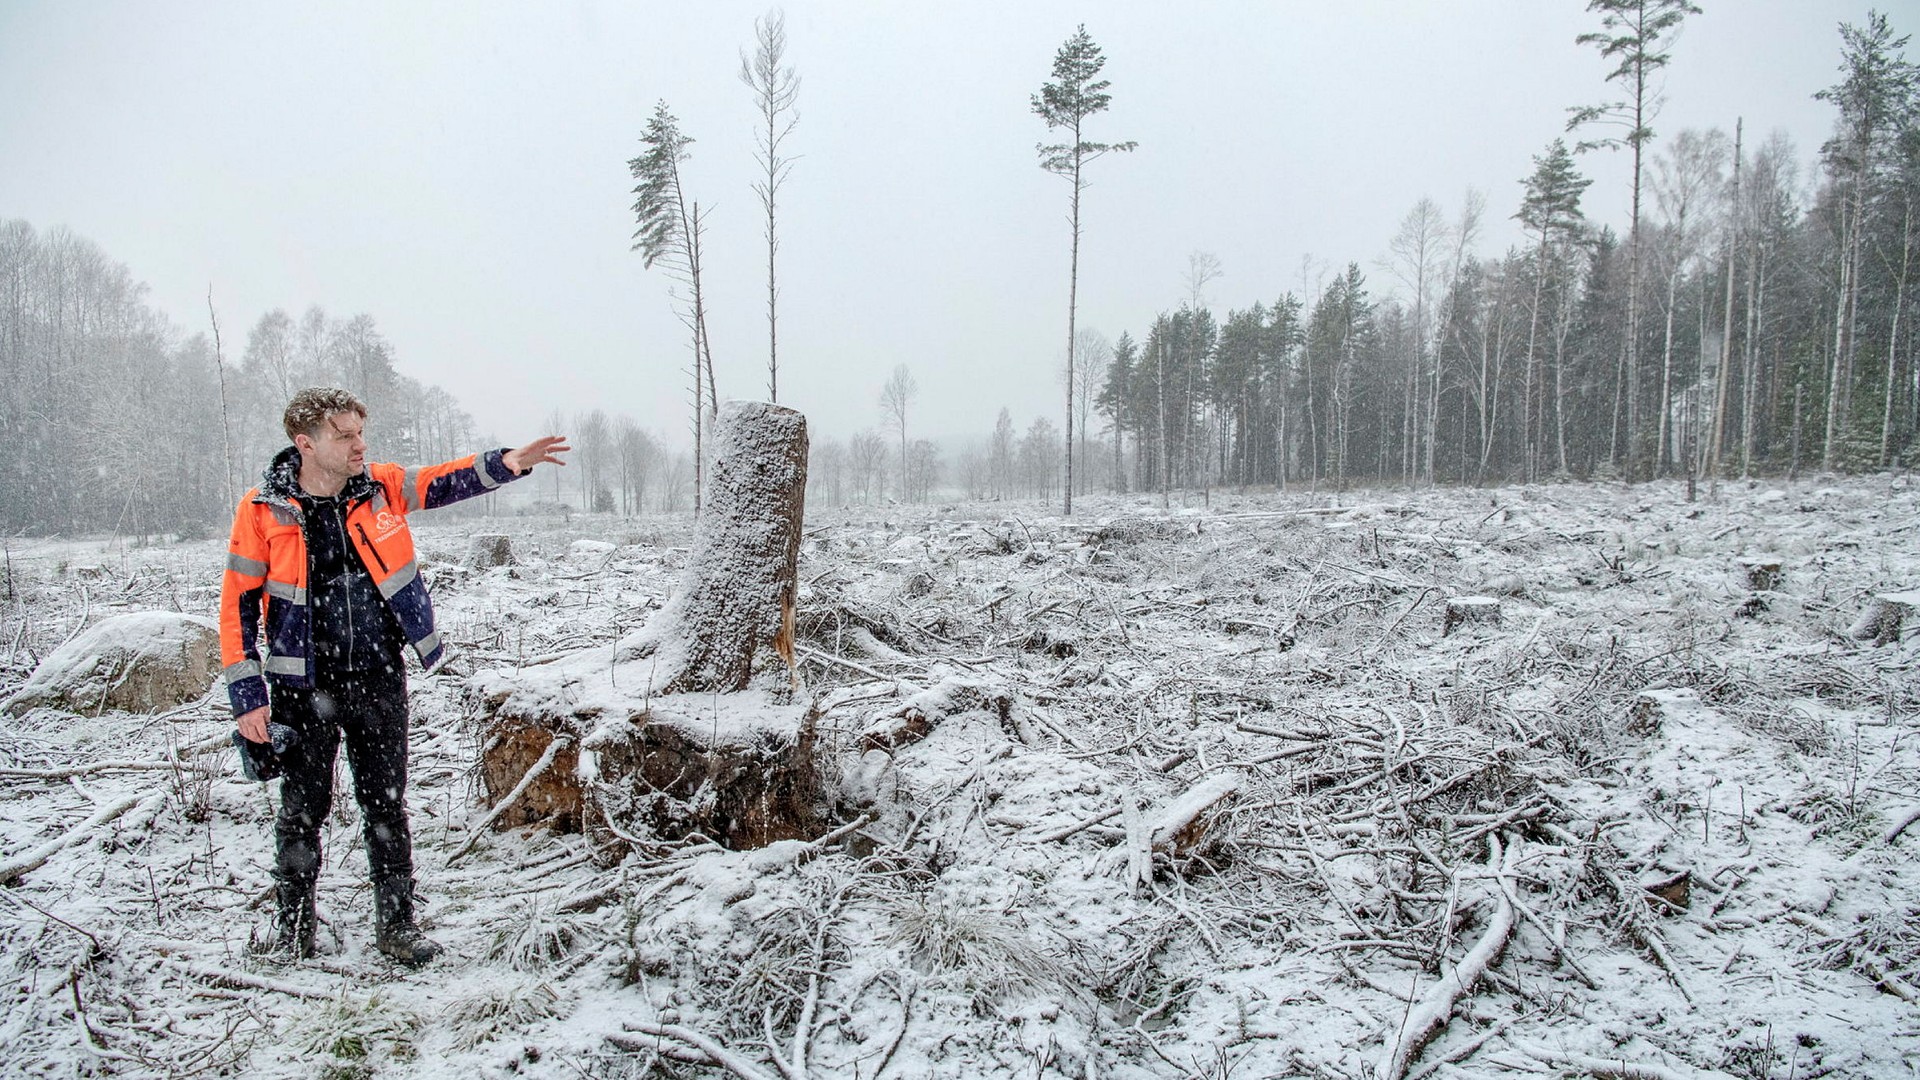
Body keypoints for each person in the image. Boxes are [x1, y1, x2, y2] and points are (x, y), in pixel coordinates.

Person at [220, 387, 568, 964]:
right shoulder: (262, 510)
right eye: (345, 435)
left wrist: (508, 463)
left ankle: (398, 927)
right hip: (301, 688)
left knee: (385, 805)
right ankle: (293, 929)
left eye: (362, 431)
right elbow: (237, 606)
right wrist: (247, 695)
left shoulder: (380, 486)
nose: (360, 444)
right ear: (306, 443)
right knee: (302, 810)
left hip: (379, 677)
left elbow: (442, 481)